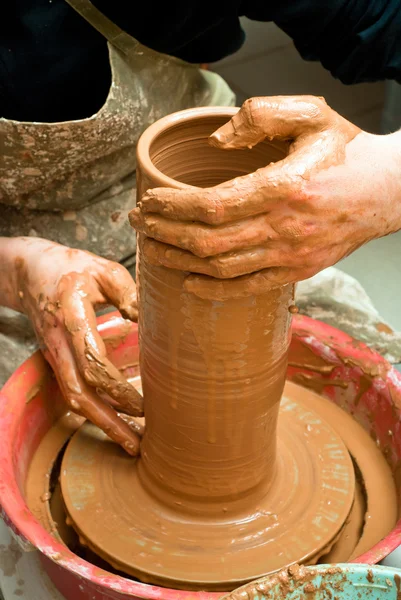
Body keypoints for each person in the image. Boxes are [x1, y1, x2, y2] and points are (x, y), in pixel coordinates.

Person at [1, 0, 401, 454]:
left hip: (222, 206)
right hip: (16, 247)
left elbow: (381, 19)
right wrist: (13, 271)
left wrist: (388, 180)